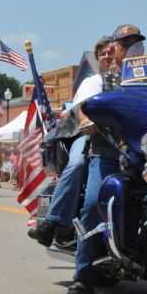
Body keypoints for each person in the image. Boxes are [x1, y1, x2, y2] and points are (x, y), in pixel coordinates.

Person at [68, 24, 145, 294]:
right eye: (126, 45)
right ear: (115, 49)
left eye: (137, 44)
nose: (132, 49)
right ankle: (82, 276)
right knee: (93, 205)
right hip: (109, 153)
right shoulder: (102, 79)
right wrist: (84, 119)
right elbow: (80, 105)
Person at [29, 36, 114, 246]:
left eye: (111, 52)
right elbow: (78, 109)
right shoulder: (93, 82)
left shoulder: (133, 81)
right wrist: (85, 119)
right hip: (90, 135)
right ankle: (52, 223)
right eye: (103, 54)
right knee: (77, 164)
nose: (107, 56)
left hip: (124, 138)